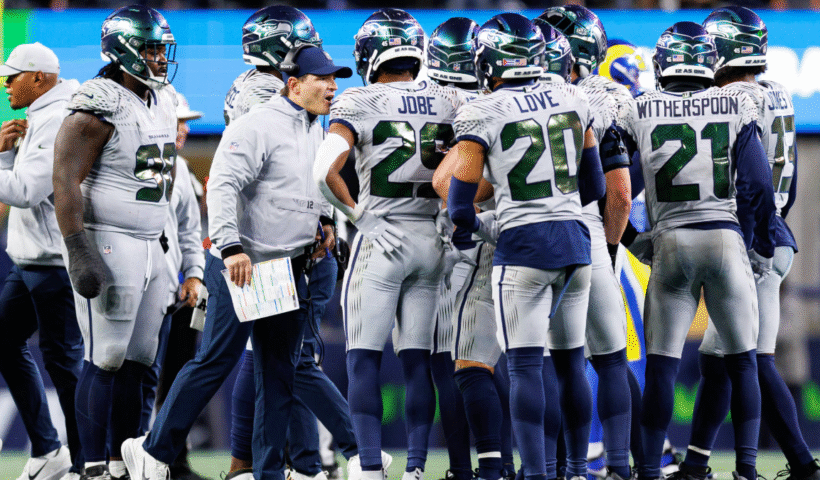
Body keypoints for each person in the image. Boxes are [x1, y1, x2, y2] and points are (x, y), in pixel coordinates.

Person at [120, 44, 350, 480]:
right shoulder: (258, 123)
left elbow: (303, 186)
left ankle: (268, 471)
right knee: (216, 360)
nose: (332, 87)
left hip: (283, 265)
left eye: (334, 79)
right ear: (294, 84)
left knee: (278, 372)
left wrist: (323, 220)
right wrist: (230, 247)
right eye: (323, 79)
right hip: (244, 263)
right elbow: (223, 184)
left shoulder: (313, 127)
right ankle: (153, 451)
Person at [442, 12, 605, 480]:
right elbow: (594, 186)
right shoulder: (574, 96)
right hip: (576, 242)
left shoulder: (482, 111)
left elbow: (459, 206)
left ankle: (535, 473)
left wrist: (487, 226)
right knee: (572, 363)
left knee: (525, 368)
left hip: (522, 249)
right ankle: (576, 470)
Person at [617, 21, 775, 480]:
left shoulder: (640, 108)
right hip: (724, 236)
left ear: (663, 63)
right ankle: (746, 468)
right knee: (742, 362)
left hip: (669, 242)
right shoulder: (735, 103)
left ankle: (650, 469)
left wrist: (630, 240)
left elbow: (614, 186)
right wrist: (752, 240)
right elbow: (759, 185)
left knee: (662, 367)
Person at [313, 8, 463, 480]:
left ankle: (371, 467)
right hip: (432, 238)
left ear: (370, 55)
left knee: (363, 360)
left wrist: (357, 215)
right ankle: (416, 468)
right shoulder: (450, 99)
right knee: (417, 361)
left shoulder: (359, 100)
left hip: (382, 238)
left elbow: (323, 170)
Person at [222, 7, 370, 480]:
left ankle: (261, 464)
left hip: (286, 239)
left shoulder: (266, 91)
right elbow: (263, 175)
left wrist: (324, 217)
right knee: (286, 358)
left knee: (271, 358)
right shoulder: (270, 98)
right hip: (277, 246)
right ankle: (323, 459)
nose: (325, 80)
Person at [673, 7, 818, 480]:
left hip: (752, 239)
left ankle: (795, 464)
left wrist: (752, 239)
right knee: (720, 358)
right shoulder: (777, 92)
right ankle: (697, 462)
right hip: (774, 232)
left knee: (751, 358)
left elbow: (749, 179)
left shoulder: (730, 98)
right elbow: (786, 178)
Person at [52, 6, 179, 479]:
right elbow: (64, 178)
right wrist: (77, 247)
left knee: (139, 360)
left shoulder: (162, 99)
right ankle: (90, 466)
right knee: (104, 356)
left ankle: (123, 461)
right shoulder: (98, 102)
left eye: (161, 48)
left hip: (151, 243)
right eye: (150, 48)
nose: (159, 57)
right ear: (122, 50)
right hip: (110, 240)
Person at [534, 8, 633, 480]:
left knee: (553, 363)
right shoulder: (608, 98)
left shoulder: (512, 101)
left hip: (531, 236)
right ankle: (622, 465)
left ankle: (551, 467)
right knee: (611, 358)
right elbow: (620, 191)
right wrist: (612, 247)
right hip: (590, 231)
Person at [427, 16, 518, 480]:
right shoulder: (540, 100)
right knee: (529, 363)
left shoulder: (465, 108)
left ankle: (468, 468)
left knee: (462, 363)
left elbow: (445, 185)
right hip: (550, 237)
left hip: (468, 241)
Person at [0, 41, 82, 480]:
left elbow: (26, 192)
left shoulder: (56, 119)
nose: (5, 85)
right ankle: (50, 449)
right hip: (33, 259)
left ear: (37, 78)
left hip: (54, 261)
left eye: (11, 77)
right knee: (6, 342)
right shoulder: (44, 113)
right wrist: (6, 153)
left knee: (65, 364)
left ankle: (87, 461)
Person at [139, 91, 208, 480]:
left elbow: (191, 233)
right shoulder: (137, 164)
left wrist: (193, 276)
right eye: (178, 122)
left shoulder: (182, 172)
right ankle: (115, 456)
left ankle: (173, 458)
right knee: (134, 374)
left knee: (177, 375)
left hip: (181, 292)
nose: (184, 130)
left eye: (185, 123)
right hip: (142, 286)